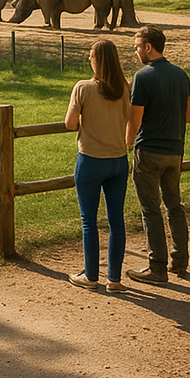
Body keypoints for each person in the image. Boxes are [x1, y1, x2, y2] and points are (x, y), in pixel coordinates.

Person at [63, 39, 134, 292]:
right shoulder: (125, 88)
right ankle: (114, 279)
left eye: (90, 54)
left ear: (98, 59)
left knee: (89, 221)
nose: (88, 58)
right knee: (117, 220)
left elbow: (70, 123)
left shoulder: (83, 88)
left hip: (91, 160)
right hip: (118, 160)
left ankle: (91, 276)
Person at [125, 26, 190, 284]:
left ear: (148, 47)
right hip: (175, 152)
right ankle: (181, 260)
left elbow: (134, 118)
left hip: (149, 151)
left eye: (136, 47)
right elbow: (189, 115)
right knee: (174, 206)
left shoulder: (143, 77)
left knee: (150, 209)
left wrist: (127, 144)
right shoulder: (181, 75)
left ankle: (157, 267)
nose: (135, 52)